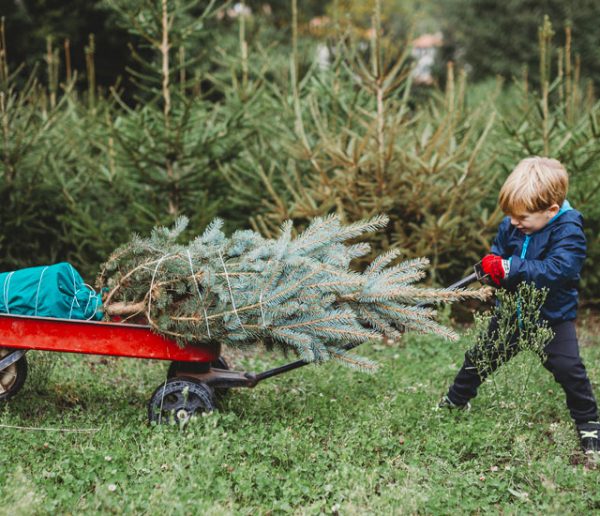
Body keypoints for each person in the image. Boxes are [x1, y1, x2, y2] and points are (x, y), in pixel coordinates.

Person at [439, 156, 600, 454]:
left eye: (522, 217)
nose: (514, 222)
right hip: (511, 315)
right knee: (478, 359)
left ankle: (589, 426)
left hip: (551, 320)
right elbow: (499, 256)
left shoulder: (569, 231)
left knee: (570, 370)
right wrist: (494, 269)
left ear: (551, 210)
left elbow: (558, 271)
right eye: (511, 216)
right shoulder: (512, 224)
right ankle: (454, 401)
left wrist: (510, 268)